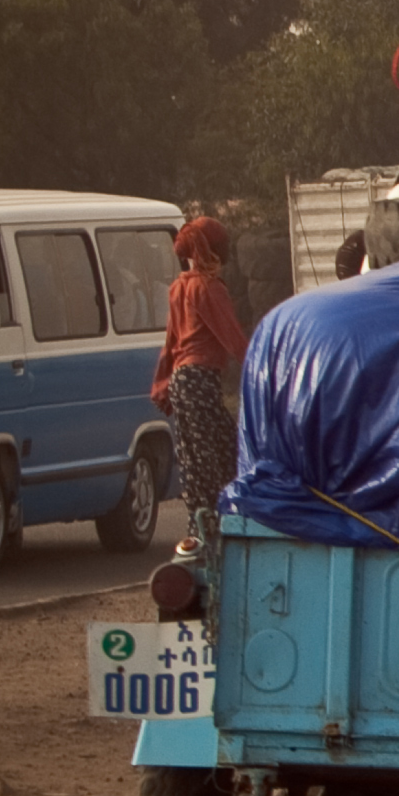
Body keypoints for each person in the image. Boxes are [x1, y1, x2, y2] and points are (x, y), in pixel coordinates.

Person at [150, 214, 250, 554]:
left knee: (198, 457)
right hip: (200, 380)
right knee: (217, 458)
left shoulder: (179, 286)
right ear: (213, 250)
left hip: (183, 380)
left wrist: (163, 383)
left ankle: (202, 527)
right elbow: (233, 338)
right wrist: (260, 368)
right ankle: (212, 533)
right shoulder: (209, 288)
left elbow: (170, 342)